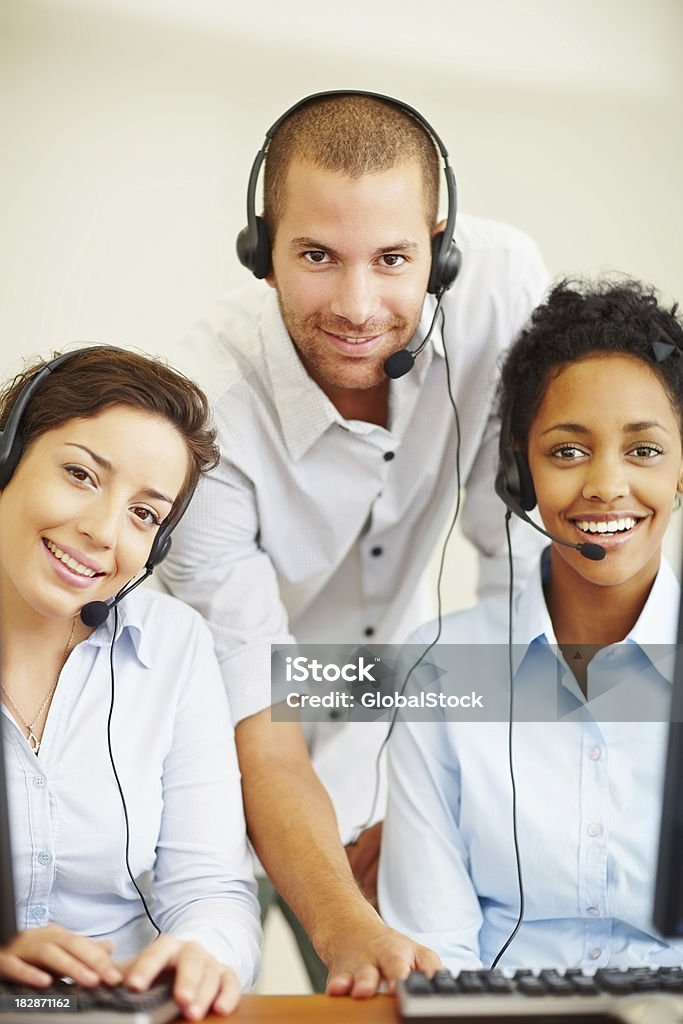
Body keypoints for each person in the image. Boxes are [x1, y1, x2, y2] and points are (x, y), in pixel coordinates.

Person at [158, 91, 548, 994]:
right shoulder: (205, 404)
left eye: (393, 259)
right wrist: (340, 920)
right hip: (227, 745)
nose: (357, 304)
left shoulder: (497, 290)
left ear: (440, 252)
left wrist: (437, 802)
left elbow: (523, 570)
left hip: (394, 708)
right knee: (203, 987)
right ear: (261, 249)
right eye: (317, 257)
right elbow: (260, 701)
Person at [379, 279, 683, 970]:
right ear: (520, 470)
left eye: (643, 450)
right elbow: (437, 950)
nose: (606, 485)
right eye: (567, 451)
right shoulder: (440, 666)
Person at [0, 347, 261, 1020]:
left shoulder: (173, 645)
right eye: (81, 474)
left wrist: (203, 950)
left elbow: (210, 888)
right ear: (6, 458)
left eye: (145, 514)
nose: (102, 531)